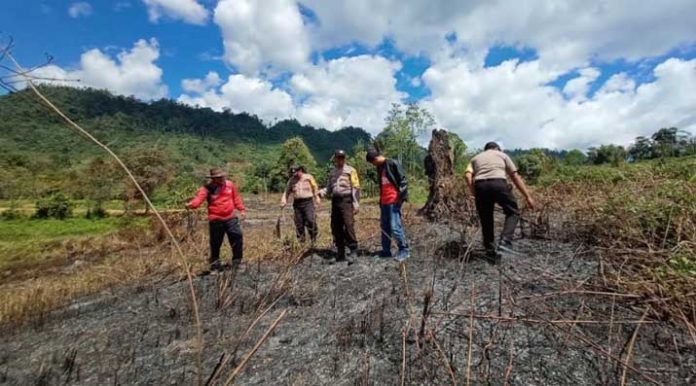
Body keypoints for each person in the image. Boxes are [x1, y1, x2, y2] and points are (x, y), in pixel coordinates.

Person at [464, 142, 535, 262]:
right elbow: (514, 176)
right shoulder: (502, 155)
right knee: (513, 212)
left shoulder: (475, 158)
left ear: (485, 149)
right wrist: (527, 196)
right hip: (498, 183)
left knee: (486, 219)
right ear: (497, 148)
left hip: (480, 185)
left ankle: (490, 252)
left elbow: (467, 176)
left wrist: (474, 193)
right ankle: (505, 241)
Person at [186, 167, 246, 273]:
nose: (221, 179)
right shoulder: (206, 188)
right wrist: (191, 204)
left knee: (237, 237)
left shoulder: (230, 185)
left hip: (231, 217)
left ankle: (237, 262)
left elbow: (236, 198)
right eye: (218, 177)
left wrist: (242, 210)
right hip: (216, 219)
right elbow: (198, 199)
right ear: (213, 178)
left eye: (222, 176)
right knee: (215, 243)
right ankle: (215, 265)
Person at [366, 148, 410, 262]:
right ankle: (386, 251)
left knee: (395, 226)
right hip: (384, 202)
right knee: (384, 227)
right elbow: (382, 186)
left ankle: (404, 250)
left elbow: (403, 181)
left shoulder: (392, 163)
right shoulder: (380, 168)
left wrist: (400, 198)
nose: (373, 165)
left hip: (394, 200)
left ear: (375, 159)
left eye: (373, 162)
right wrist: (380, 201)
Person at [319, 149, 360, 264]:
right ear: (335, 159)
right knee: (335, 226)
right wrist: (321, 192)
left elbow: (356, 187)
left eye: (342, 157)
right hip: (335, 201)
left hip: (346, 200)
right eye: (338, 157)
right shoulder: (332, 172)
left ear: (345, 158)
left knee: (348, 225)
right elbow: (329, 188)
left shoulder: (350, 170)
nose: (340, 159)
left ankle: (353, 250)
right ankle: (340, 252)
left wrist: (356, 203)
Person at [281, 164, 320, 244]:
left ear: (300, 171)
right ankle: (301, 243)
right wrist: (284, 200)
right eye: (293, 173)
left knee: (310, 220)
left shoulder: (308, 177)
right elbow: (287, 191)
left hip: (308, 202)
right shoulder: (291, 180)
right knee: (299, 224)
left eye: (296, 173)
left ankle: (313, 239)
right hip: (297, 204)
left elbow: (315, 187)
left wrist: (317, 197)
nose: (295, 175)